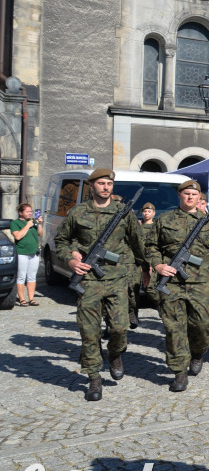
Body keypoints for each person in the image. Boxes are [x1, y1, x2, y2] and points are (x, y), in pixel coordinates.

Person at [54, 169, 147, 401]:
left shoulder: (123, 212)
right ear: (91, 186)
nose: (106, 187)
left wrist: (146, 270)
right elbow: (61, 241)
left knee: (118, 328)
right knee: (89, 332)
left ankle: (115, 354)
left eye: (109, 183)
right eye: (102, 183)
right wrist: (72, 259)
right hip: (89, 282)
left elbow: (139, 244)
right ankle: (94, 379)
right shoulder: (78, 212)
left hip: (117, 280)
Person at [148, 180, 209, 392]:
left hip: (202, 284)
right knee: (175, 329)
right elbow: (151, 246)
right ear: (180, 195)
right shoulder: (164, 219)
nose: (190, 197)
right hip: (172, 284)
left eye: (194, 194)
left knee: (203, 326)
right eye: (186, 193)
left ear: (199, 197)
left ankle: (198, 353)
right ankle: (179, 372)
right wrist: (158, 265)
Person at [11, 203, 40, 306]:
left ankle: (31, 298)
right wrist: (27, 226)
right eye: (27, 211)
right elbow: (18, 236)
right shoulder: (15, 223)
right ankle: (22, 299)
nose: (30, 213)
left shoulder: (33, 222)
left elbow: (40, 233)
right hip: (22, 253)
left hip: (34, 252)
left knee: (32, 277)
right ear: (20, 213)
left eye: (30, 211)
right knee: (21, 277)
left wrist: (39, 224)